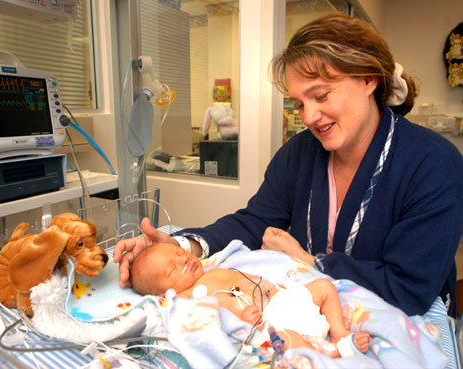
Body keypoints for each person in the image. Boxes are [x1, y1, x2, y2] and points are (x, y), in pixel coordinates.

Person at [115, 14, 463, 317]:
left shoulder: (432, 164)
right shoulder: (300, 153)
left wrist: (311, 262)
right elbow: (254, 223)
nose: (309, 117)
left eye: (322, 95)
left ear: (369, 78)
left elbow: (409, 287)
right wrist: (175, 247)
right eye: (298, 103)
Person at [130, 242, 371, 357]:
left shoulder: (214, 268)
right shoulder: (187, 298)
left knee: (324, 285)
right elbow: (215, 324)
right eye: (173, 268)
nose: (183, 260)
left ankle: (339, 331)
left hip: (285, 299)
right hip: (272, 320)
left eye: (180, 253)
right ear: (164, 293)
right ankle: (330, 352)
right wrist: (243, 321)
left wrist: (279, 288)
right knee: (287, 339)